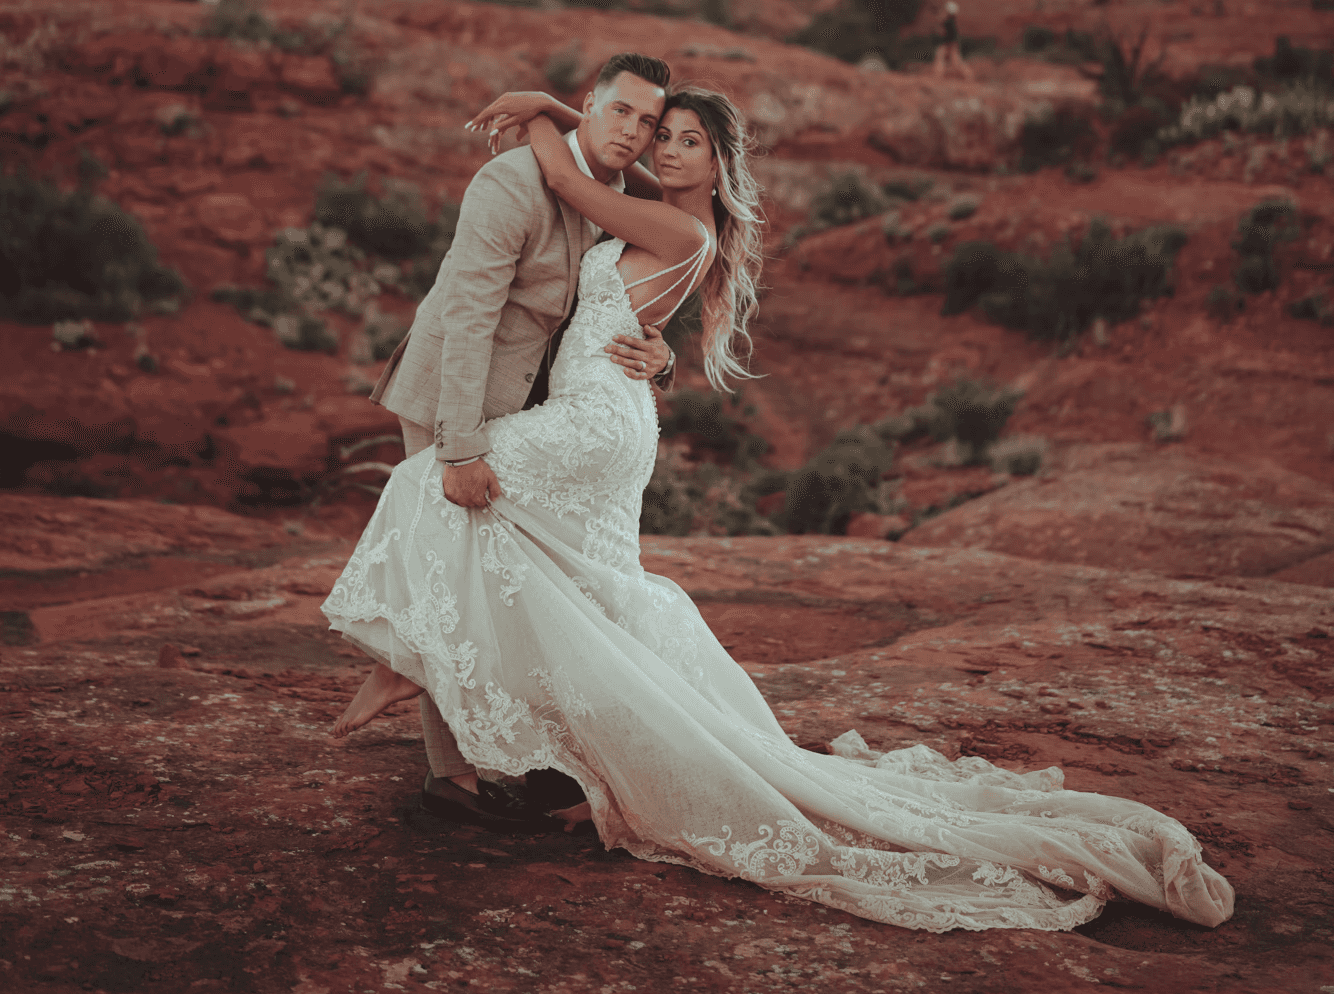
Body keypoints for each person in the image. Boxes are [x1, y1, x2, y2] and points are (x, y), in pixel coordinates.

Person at [322, 87, 1232, 933]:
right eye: (661, 135)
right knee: (574, 581)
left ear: (719, 163)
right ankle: (535, 739)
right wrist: (649, 328)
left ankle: (410, 660)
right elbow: (607, 185)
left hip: (593, 422)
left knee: (428, 483)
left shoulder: (678, 226)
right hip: (607, 415)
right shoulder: (668, 212)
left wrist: (542, 109)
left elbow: (568, 175)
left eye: (687, 141)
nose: (663, 149)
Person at [363, 51, 679, 833]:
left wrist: (662, 356)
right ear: (591, 103)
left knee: (531, 578)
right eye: (619, 111)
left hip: (541, 405)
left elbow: (676, 227)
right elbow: (468, 318)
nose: (632, 133)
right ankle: (452, 778)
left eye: (648, 123)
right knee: (450, 565)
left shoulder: (613, 189)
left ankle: (539, 760)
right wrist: (460, 449)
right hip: (454, 394)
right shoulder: (508, 184)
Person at [933, 0, 974, 80]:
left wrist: (949, 45)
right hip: (951, 43)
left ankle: (937, 76)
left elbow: (946, 31)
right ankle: (968, 75)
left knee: (942, 57)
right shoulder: (951, 21)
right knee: (955, 61)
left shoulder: (949, 22)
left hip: (949, 44)